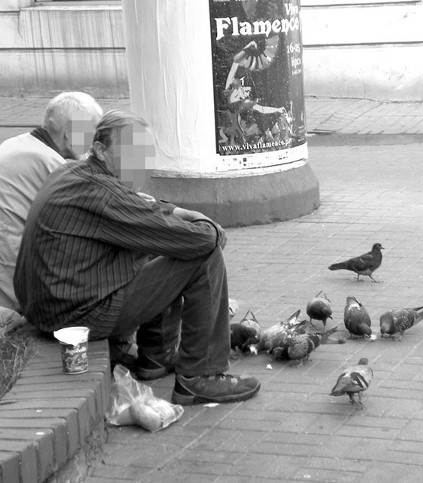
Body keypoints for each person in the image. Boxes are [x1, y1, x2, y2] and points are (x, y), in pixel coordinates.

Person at [14, 109, 261, 405]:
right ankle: (201, 377)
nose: (142, 162)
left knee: (156, 240)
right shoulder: (104, 194)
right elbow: (202, 240)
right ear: (100, 150)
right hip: (76, 315)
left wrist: (175, 211)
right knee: (201, 255)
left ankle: (156, 358)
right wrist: (210, 229)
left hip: (51, 308)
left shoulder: (72, 172)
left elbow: (142, 206)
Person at [0, 92, 103, 312]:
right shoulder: (51, 163)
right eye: (92, 133)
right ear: (69, 134)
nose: (94, 143)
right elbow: (99, 208)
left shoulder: (17, 144)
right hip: (15, 291)